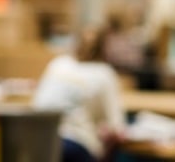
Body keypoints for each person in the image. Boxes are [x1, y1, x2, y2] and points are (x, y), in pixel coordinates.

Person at [31, 26, 126, 162]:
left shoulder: (58, 63)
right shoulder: (104, 73)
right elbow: (117, 128)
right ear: (105, 49)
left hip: (39, 142)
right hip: (75, 146)